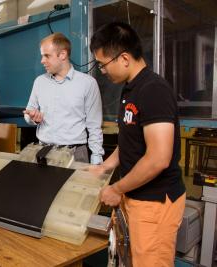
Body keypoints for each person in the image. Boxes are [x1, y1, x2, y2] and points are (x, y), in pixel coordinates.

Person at [89, 22, 186, 267]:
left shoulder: (153, 90)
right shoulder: (130, 89)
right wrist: (104, 168)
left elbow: (158, 158)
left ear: (123, 58)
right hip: (135, 195)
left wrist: (116, 189)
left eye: (103, 64)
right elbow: (130, 140)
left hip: (154, 201)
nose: (102, 71)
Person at [24, 33, 104, 164]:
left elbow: (94, 125)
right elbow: (28, 112)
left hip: (75, 154)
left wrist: (97, 156)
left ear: (62, 54)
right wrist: (32, 118)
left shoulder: (88, 83)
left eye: (46, 56)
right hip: (43, 151)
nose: (42, 61)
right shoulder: (40, 81)